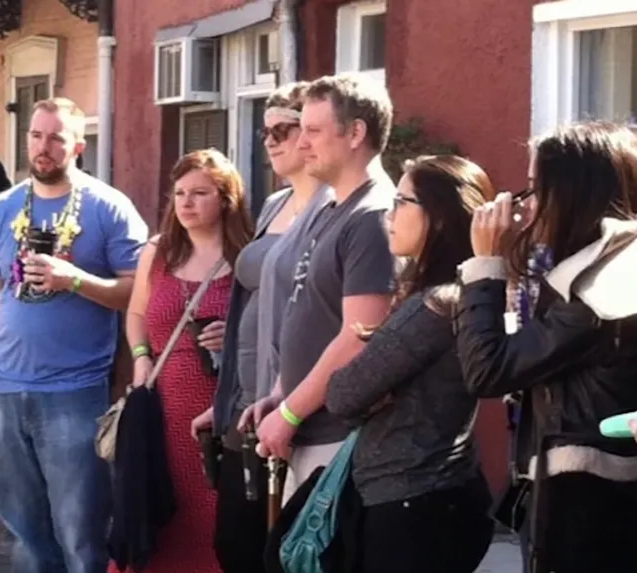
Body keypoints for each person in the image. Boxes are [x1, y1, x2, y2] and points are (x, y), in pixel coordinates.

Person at [455, 121, 637, 572]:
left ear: (572, 193)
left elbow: (487, 370)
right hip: (582, 490)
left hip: (580, 497)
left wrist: (485, 264)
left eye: (534, 189)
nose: (527, 208)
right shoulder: (608, 263)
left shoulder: (607, 284)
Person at [0, 97, 148, 573]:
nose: (44, 148)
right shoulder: (2, 209)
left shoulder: (108, 207)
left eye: (56, 138)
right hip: (3, 389)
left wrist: (75, 280)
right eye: (36, 136)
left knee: (80, 531)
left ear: (78, 146)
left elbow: (137, 294)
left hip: (76, 391)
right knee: (23, 530)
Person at [326, 156, 495, 572]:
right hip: (437, 496)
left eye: (402, 202)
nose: (390, 213)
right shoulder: (467, 293)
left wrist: (369, 392)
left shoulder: (436, 306)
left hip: (412, 502)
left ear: (437, 218)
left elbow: (343, 393)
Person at [250, 72, 396, 499]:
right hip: (306, 429)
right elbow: (308, 306)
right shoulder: (332, 206)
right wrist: (280, 392)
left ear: (355, 133)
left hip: (337, 436)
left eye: (312, 131)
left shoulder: (372, 216)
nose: (301, 143)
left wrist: (291, 412)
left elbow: (359, 335)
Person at [206, 81, 332, 571]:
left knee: (274, 550)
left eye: (284, 128)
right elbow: (252, 302)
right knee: (233, 544)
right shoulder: (276, 205)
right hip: (247, 399)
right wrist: (224, 394)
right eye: (266, 132)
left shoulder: (334, 209)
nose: (272, 140)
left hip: (294, 406)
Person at [117, 148, 252, 573]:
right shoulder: (158, 252)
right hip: (160, 407)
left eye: (200, 193)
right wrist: (140, 357)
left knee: (214, 523)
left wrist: (232, 333)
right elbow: (137, 312)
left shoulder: (248, 256)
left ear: (226, 199)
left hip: (219, 410)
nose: (187, 203)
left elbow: (268, 327)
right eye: (179, 194)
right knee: (156, 513)